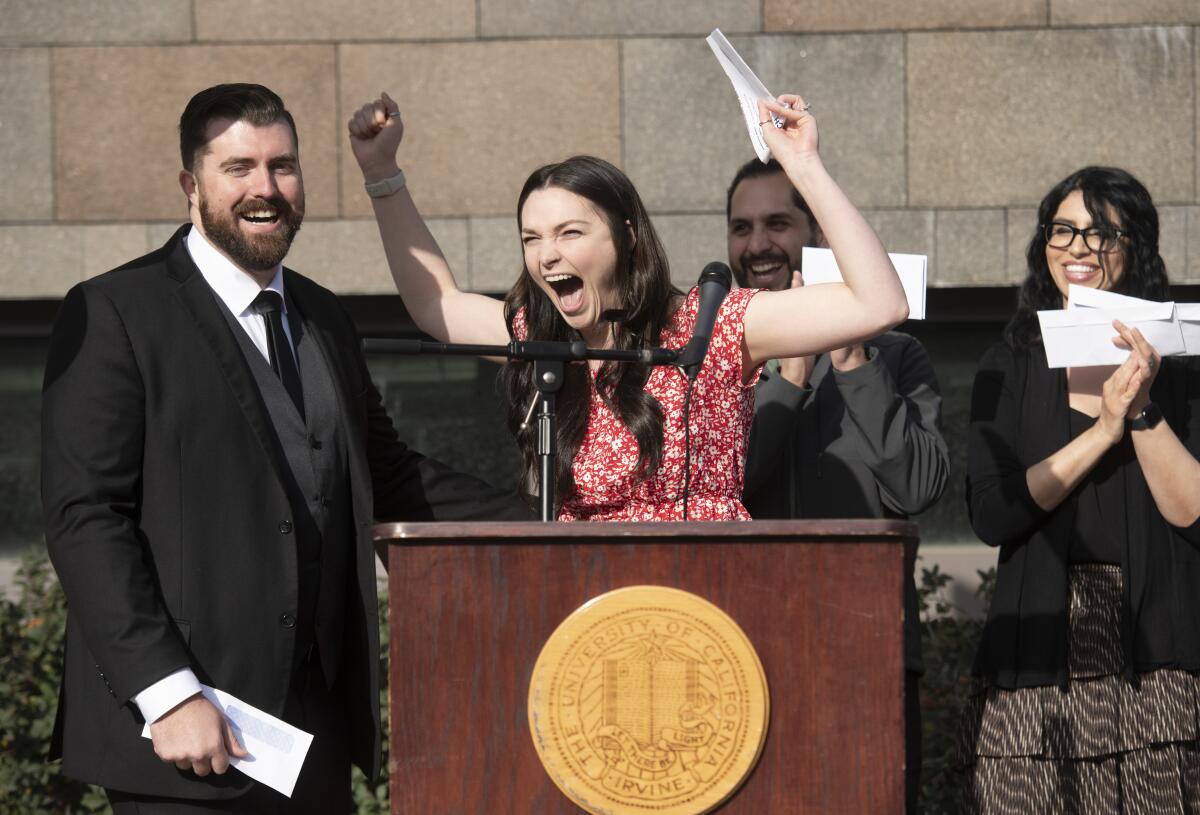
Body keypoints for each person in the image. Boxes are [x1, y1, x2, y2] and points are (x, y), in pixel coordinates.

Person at [42, 83, 527, 814]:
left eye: (283, 166)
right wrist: (168, 694)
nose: (265, 189)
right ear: (190, 185)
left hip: (313, 737)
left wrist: (561, 522)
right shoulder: (115, 311)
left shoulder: (324, 314)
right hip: (186, 736)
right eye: (238, 168)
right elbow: (86, 518)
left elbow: (391, 480)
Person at [346, 92, 909, 521]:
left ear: (628, 236)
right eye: (532, 238)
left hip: (706, 600)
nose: (547, 256)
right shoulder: (542, 340)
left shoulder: (708, 324)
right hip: (584, 611)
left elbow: (878, 302)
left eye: (569, 233)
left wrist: (803, 165)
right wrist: (381, 175)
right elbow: (435, 303)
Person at [956, 166, 1200, 812]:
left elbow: (1193, 511)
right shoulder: (1009, 359)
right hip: (1039, 656)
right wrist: (1101, 432)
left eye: (1100, 233)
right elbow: (992, 509)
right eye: (1063, 229)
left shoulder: (1182, 362)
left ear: (1136, 247)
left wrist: (1142, 408)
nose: (1078, 248)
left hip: (1156, 660)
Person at [727, 156, 948, 811]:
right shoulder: (715, 356)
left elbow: (916, 485)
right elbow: (720, 487)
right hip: (741, 644)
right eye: (741, 227)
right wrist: (787, 381)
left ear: (819, 237)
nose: (757, 243)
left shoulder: (896, 353)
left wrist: (849, 352)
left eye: (777, 222)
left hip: (862, 644)